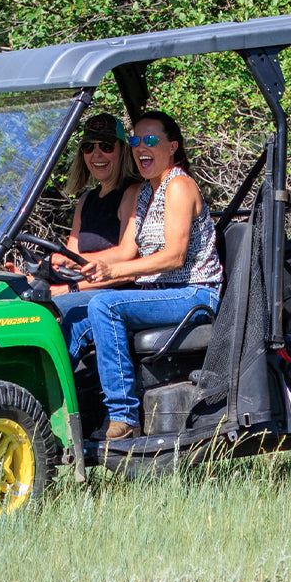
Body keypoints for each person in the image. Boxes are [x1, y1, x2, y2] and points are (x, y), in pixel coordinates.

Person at [59, 110, 224, 441]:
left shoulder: (178, 185)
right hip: (161, 291)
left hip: (194, 292)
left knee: (105, 305)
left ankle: (124, 418)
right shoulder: (148, 190)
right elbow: (123, 250)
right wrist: (74, 263)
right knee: (67, 309)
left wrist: (114, 271)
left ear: (172, 146)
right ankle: (56, 407)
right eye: (135, 141)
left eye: (150, 140)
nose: (140, 147)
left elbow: (174, 256)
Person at [47, 114, 143, 311]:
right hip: (85, 285)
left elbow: (127, 253)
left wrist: (70, 282)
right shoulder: (86, 200)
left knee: (56, 310)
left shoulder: (133, 192)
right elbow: (72, 253)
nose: (97, 154)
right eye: (89, 147)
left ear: (123, 151)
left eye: (106, 147)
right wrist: (45, 268)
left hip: (117, 290)